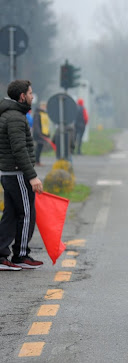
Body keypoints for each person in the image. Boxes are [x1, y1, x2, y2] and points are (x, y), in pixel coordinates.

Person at [0, 80, 44, 271]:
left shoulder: (9, 114)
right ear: (22, 96)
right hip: (17, 172)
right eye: (30, 93)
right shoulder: (16, 117)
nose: (32, 96)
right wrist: (32, 176)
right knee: (26, 213)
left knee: (10, 215)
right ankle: (21, 255)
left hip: (9, 172)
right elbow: (20, 149)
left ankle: (2, 256)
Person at [32, 101, 50, 167]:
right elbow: (36, 124)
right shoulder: (37, 113)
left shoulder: (44, 113)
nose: (44, 107)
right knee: (38, 148)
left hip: (43, 133)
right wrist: (39, 132)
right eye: (43, 106)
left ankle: (37, 160)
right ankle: (37, 161)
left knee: (40, 147)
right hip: (39, 134)